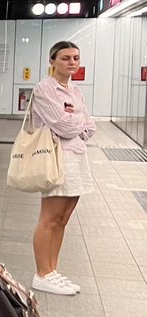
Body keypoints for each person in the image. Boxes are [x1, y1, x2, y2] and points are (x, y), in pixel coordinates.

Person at [28, 40, 95, 296]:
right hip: (56, 159)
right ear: (52, 61)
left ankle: (52, 270)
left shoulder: (75, 91)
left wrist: (74, 122)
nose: (72, 63)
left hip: (76, 157)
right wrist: (77, 122)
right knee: (49, 219)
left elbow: (90, 126)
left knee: (63, 219)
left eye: (76, 58)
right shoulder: (44, 89)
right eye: (66, 58)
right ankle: (41, 273)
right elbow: (62, 125)